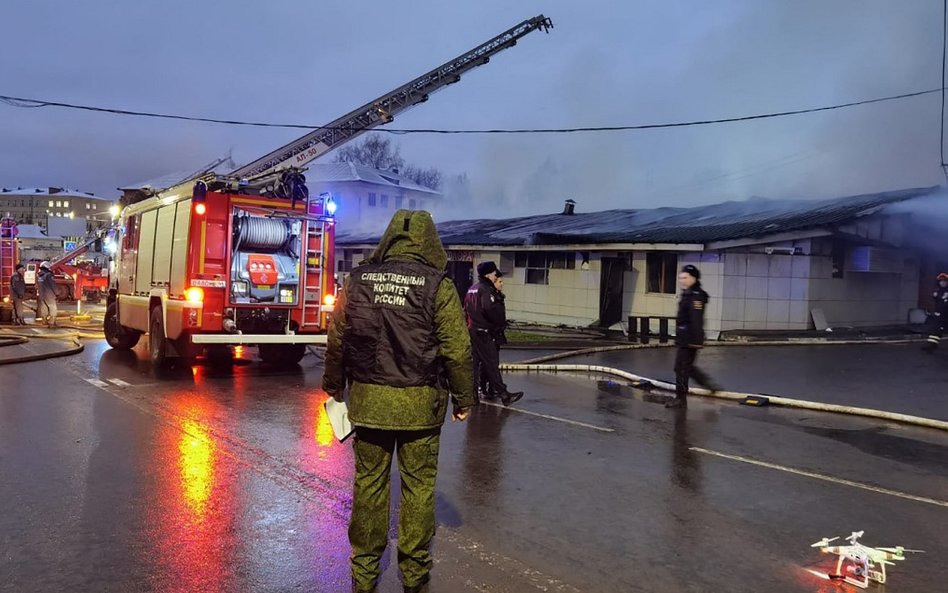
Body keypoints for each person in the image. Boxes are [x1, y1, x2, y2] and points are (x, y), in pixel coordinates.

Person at [322, 209, 476, 593]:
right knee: (418, 489)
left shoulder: (357, 282)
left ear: (389, 238)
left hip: (369, 404)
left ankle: (364, 574)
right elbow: (457, 349)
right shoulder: (438, 286)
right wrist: (463, 398)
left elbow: (337, 337)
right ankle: (414, 577)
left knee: (369, 485)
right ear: (429, 241)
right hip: (420, 407)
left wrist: (333, 387)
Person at [464, 261, 523, 407]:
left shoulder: (472, 288)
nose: (495, 275)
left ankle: (473, 396)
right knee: (491, 364)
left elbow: (466, 310)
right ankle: (504, 395)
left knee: (475, 366)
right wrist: (498, 324)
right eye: (494, 273)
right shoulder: (486, 289)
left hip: (472, 331)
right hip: (484, 332)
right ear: (488, 274)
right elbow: (490, 310)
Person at [667, 265, 719, 409]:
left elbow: (696, 319)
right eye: (680, 277)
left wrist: (696, 341)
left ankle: (681, 399)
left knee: (681, 368)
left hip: (690, 338)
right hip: (685, 337)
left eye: (685, 277)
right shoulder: (688, 293)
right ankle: (708, 384)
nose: (681, 280)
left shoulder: (696, 296)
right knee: (685, 367)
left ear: (693, 278)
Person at [478, 275, 507, 399]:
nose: (502, 284)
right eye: (499, 281)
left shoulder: (498, 296)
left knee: (493, 362)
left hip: (496, 333)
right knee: (489, 363)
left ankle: (491, 387)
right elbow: (490, 315)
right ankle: (485, 387)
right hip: (490, 333)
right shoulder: (489, 297)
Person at [922, 273, 948, 352]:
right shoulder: (938, 291)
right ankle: (931, 345)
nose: (942, 282)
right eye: (941, 281)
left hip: (946, 316)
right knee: (935, 330)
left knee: (937, 330)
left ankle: (932, 345)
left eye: (944, 281)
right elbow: (937, 301)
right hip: (939, 315)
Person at [36, 261, 58, 328]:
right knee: (53, 307)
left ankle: (44, 321)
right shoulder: (48, 275)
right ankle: (52, 322)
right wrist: (57, 293)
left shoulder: (39, 276)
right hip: (49, 295)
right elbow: (53, 285)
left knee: (44, 307)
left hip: (42, 295)